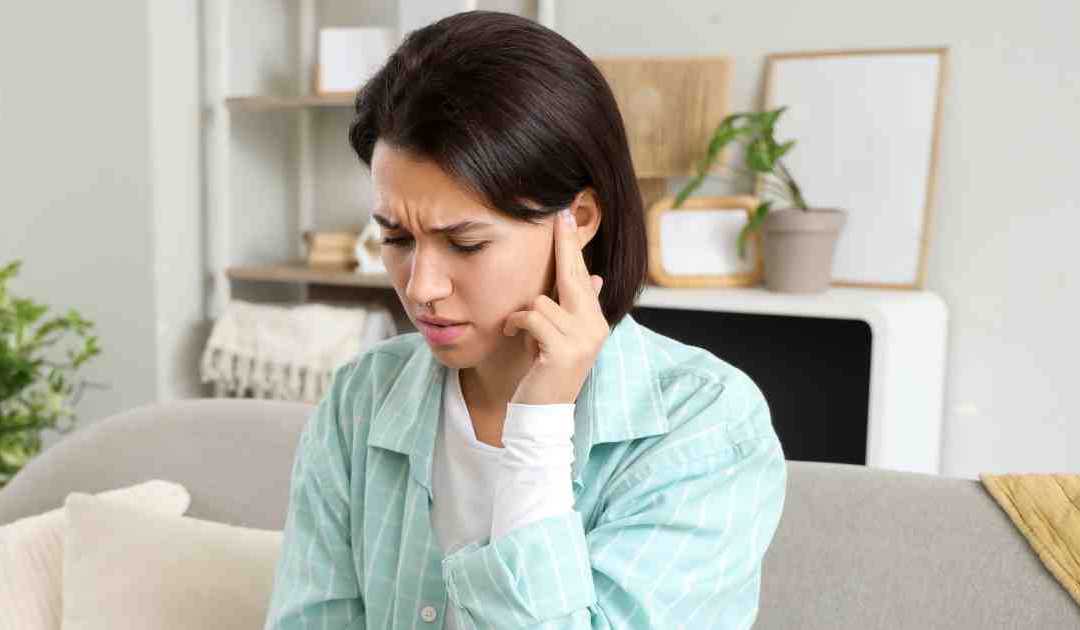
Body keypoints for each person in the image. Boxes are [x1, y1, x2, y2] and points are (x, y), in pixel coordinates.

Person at [264, 11, 787, 629]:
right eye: (397, 238)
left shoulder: (705, 428)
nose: (421, 288)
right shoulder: (360, 401)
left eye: (466, 243)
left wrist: (537, 428)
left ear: (581, 218)